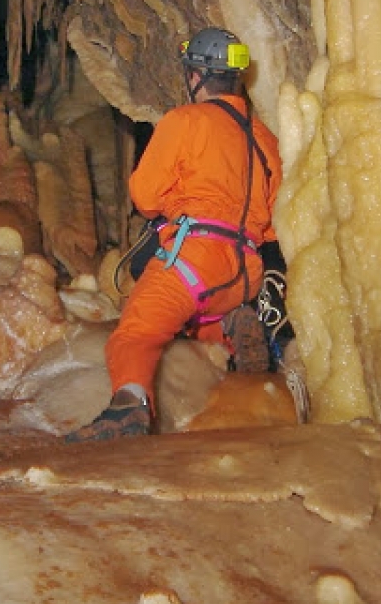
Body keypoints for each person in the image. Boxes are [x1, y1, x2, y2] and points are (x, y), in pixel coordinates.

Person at [66, 27, 283, 442]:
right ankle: (231, 329)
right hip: (244, 272)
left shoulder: (185, 121)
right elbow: (273, 222)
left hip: (195, 256)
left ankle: (127, 409)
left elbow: (145, 195)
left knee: (135, 334)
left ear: (196, 76)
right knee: (195, 322)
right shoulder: (264, 138)